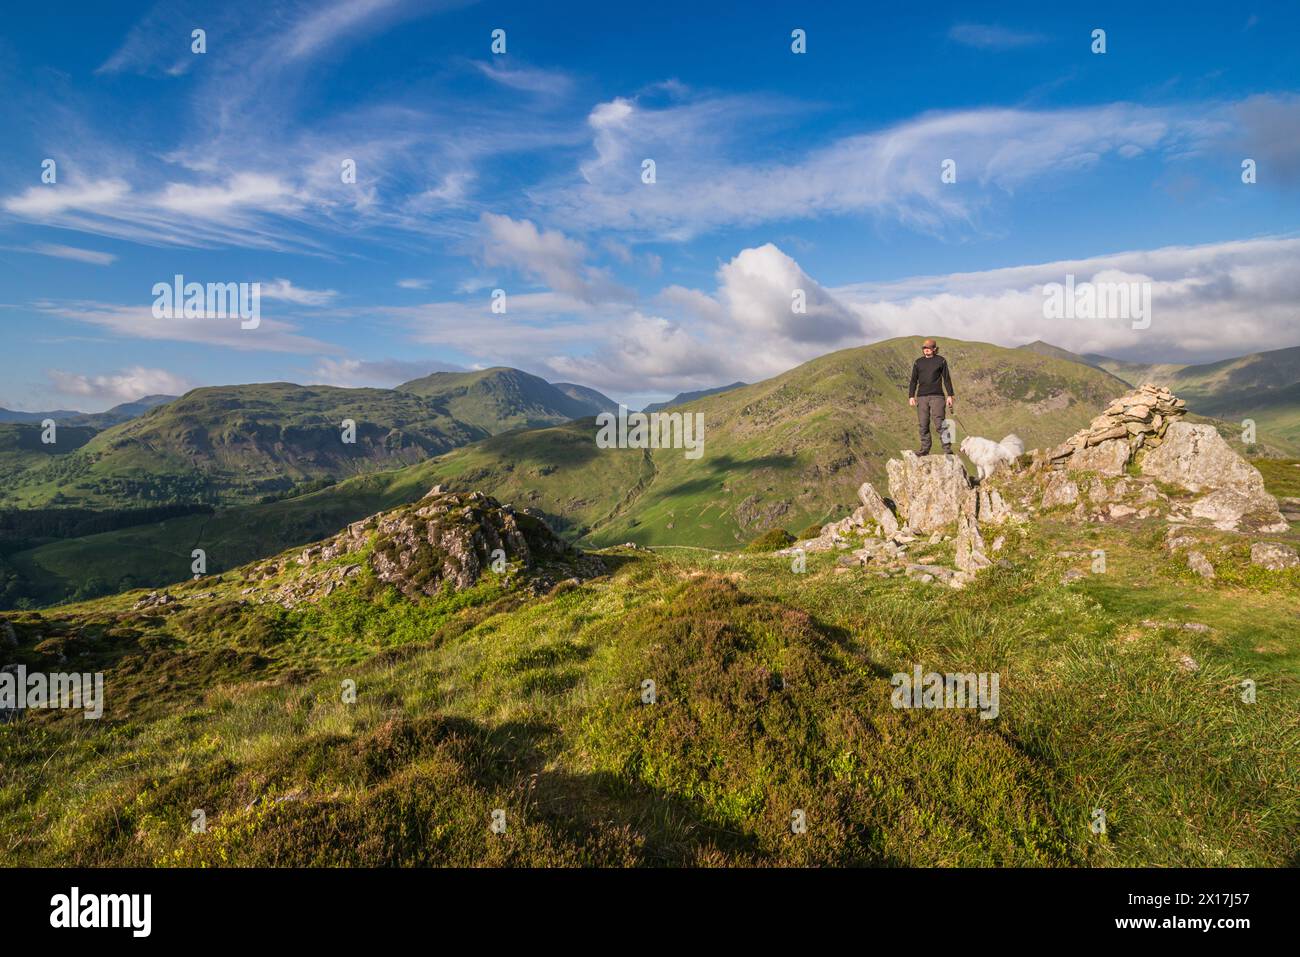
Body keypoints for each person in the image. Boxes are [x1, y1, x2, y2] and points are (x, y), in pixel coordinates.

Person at [907, 338, 955, 455]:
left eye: (929, 348)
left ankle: (947, 449)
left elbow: (946, 379)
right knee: (923, 424)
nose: (926, 350)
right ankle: (924, 449)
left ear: (934, 349)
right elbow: (913, 380)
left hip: (937, 397)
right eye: (924, 348)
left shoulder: (941, 361)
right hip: (921, 397)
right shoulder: (918, 362)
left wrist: (950, 395)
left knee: (940, 423)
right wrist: (911, 396)